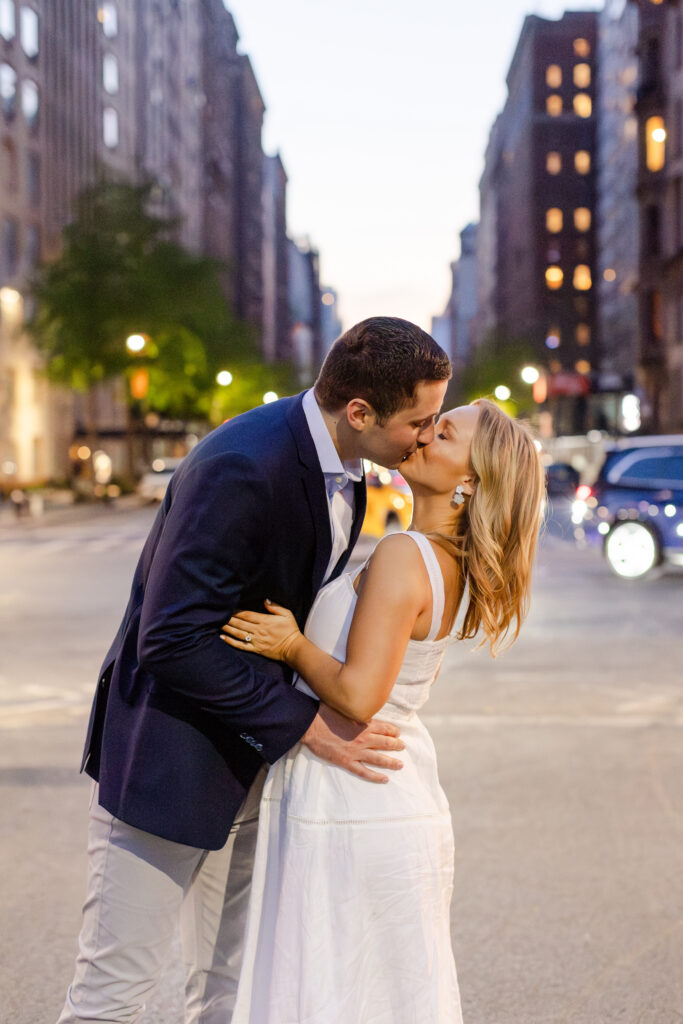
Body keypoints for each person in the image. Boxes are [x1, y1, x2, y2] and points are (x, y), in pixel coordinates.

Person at [57, 317, 451, 1024]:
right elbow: (171, 638)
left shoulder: (348, 468)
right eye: (419, 422)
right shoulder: (245, 463)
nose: (425, 436)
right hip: (172, 764)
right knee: (110, 999)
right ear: (359, 412)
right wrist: (306, 726)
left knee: (228, 993)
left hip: (256, 774)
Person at [222, 398, 546, 1024]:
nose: (425, 434)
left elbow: (359, 694)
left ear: (471, 480)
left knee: (328, 993)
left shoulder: (405, 554)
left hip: (352, 797)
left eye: (443, 433)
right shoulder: (449, 562)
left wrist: (291, 644)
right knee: (385, 996)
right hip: (391, 791)